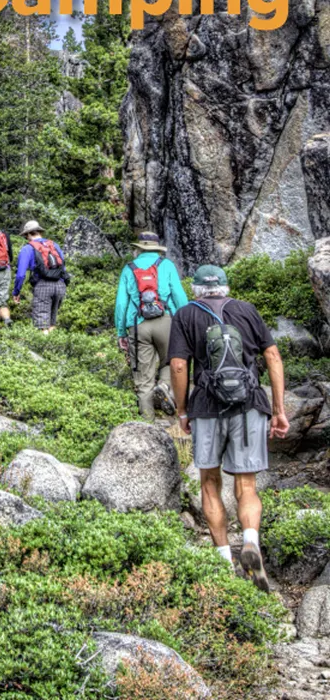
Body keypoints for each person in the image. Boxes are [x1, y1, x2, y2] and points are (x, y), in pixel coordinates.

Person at [168, 264, 290, 591]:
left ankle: (223, 561)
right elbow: (274, 357)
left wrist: (182, 411)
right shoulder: (247, 310)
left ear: (195, 290)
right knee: (246, 485)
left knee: (209, 481)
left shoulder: (185, 315)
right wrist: (278, 409)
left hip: (206, 408)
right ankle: (250, 541)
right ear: (225, 287)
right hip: (250, 405)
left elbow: (179, 364)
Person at [114, 231, 189, 422]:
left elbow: (121, 304)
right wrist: (186, 322)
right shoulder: (166, 265)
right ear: (157, 249)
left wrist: (121, 332)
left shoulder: (128, 269)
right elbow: (179, 295)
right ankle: (164, 385)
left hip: (138, 325)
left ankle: (148, 424)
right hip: (166, 320)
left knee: (143, 378)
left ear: (138, 249)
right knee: (169, 360)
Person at [13, 220, 69, 333]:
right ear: (40, 232)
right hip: (59, 285)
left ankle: (44, 349)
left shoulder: (27, 248)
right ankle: (54, 347)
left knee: (42, 324)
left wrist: (16, 292)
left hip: (42, 285)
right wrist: (62, 283)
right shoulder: (54, 245)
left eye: (25, 235)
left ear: (28, 234)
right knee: (52, 322)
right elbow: (63, 267)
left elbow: (20, 274)